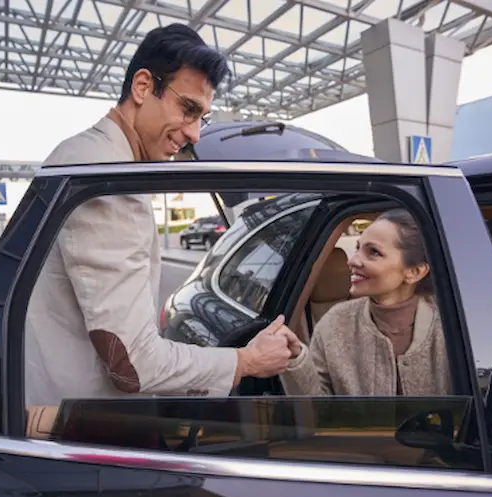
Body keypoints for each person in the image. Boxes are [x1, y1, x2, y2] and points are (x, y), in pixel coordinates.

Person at [24, 23, 292, 407]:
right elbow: (134, 366)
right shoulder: (107, 183)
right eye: (188, 109)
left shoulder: (83, 154)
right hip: (82, 426)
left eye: (203, 118)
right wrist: (247, 361)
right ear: (143, 87)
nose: (196, 134)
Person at [276, 209, 452, 396]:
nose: (352, 261)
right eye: (357, 248)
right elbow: (319, 412)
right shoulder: (335, 324)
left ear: (415, 272)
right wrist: (296, 358)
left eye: (374, 252)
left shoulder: (451, 327)